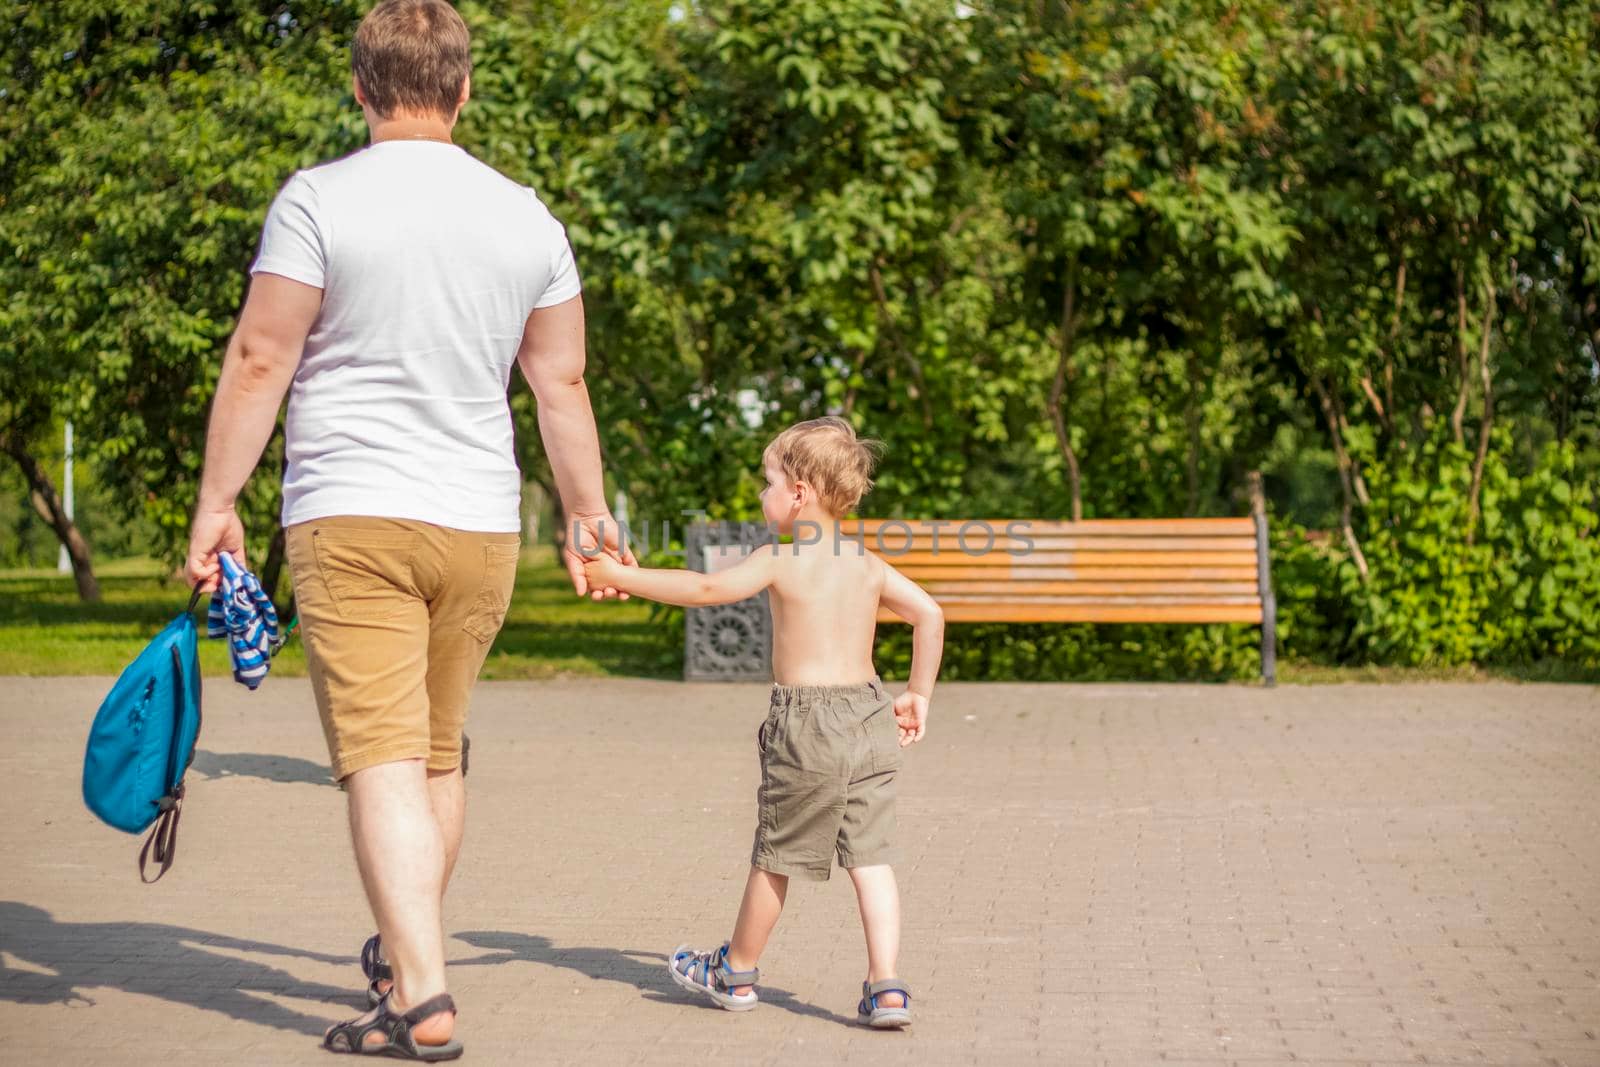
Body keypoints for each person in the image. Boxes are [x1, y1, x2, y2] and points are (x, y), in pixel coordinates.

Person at [183, 0, 632, 1058]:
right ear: (464, 88)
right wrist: (587, 518)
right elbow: (558, 379)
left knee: (381, 760)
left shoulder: (317, 199)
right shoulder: (529, 217)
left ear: (360, 85)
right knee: (436, 755)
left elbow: (259, 356)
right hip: (478, 523)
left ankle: (422, 996)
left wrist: (215, 504)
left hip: (352, 512)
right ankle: (402, 955)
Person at [583, 416, 944, 1029]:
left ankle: (736, 972)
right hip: (870, 715)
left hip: (807, 725)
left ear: (799, 492)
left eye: (767, 481)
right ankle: (887, 989)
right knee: (871, 858)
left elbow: (704, 589)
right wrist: (918, 695)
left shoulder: (780, 559)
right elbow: (929, 614)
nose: (761, 494)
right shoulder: (867, 564)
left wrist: (618, 576)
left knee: (776, 854)